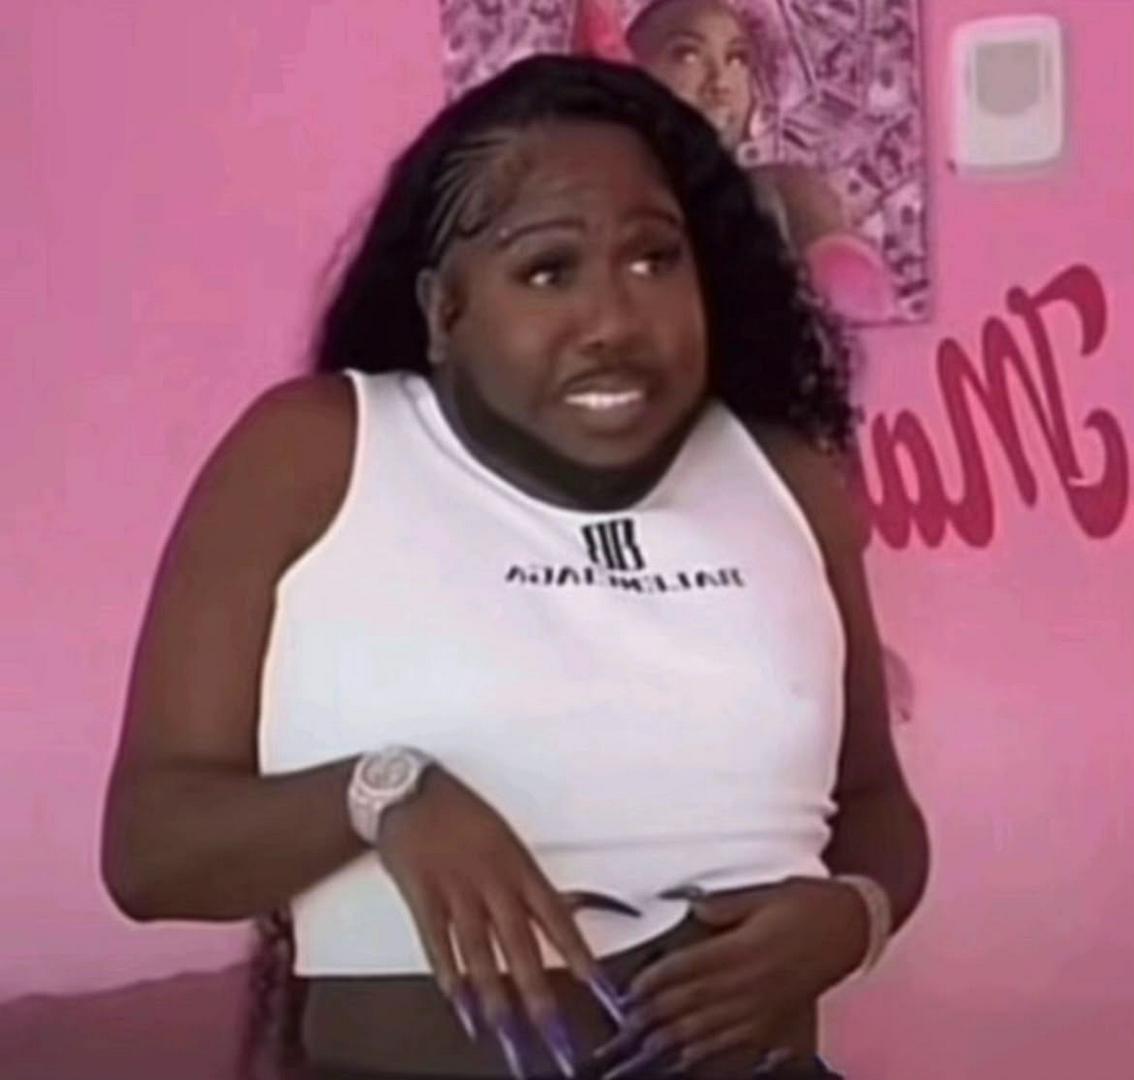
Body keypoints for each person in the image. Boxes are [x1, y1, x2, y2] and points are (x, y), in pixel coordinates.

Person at [101, 54, 929, 1079]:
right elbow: (149, 853)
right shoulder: (317, 453)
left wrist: (853, 918)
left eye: (655, 260)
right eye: (547, 271)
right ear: (444, 311)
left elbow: (876, 804)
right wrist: (383, 798)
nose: (615, 322)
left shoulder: (787, 480)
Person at [619, 0, 895, 322]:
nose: (721, 83)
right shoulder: (602, 207)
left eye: (738, 59)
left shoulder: (781, 191)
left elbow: (851, 292)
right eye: (688, 56)